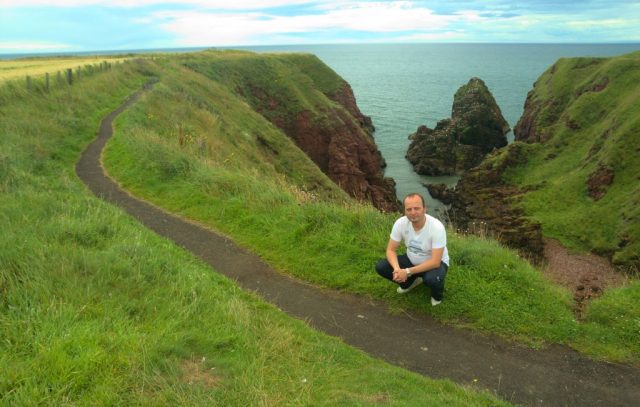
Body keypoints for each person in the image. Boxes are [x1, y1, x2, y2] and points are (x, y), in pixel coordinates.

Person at [375, 193, 449, 306]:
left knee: (432, 279)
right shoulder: (401, 223)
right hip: (411, 259)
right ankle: (409, 283)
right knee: (381, 267)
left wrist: (407, 271)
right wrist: (397, 269)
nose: (413, 212)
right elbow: (390, 250)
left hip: (435, 263)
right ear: (405, 211)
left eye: (417, 208)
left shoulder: (436, 227)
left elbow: (435, 262)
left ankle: (437, 296)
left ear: (424, 209)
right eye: (409, 209)